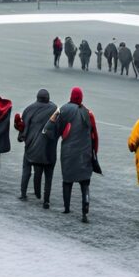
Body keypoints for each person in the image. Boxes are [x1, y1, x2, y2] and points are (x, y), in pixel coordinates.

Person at [43, 86, 98, 223]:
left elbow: (49, 126)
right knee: (85, 183)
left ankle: (67, 208)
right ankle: (85, 211)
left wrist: (56, 136)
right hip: (85, 153)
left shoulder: (63, 109)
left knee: (67, 181)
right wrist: (94, 153)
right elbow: (94, 136)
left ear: (71, 96)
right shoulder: (88, 113)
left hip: (68, 153)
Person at [16, 88, 57, 206]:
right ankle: (46, 200)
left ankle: (23, 193)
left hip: (31, 147)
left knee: (26, 170)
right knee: (48, 176)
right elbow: (57, 129)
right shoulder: (54, 109)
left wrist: (21, 137)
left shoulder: (29, 109)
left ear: (37, 98)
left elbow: (23, 127)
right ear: (48, 99)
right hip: (48, 149)